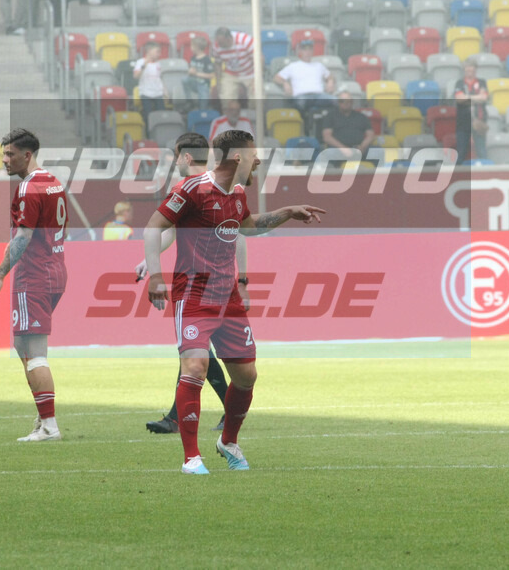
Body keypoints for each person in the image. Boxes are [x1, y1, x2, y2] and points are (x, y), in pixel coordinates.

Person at [144, 129, 325, 474]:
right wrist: (155, 276)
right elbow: (154, 227)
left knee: (246, 376)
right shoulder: (192, 189)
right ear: (238, 156)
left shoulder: (238, 193)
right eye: (254, 153)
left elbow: (249, 227)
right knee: (194, 368)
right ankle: (191, 457)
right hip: (194, 294)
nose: (259, 159)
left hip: (227, 299)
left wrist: (287, 211)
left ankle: (228, 441)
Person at [139, 132, 235, 435]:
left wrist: (240, 276)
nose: (175, 162)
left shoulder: (205, 186)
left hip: (204, 284)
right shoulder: (199, 187)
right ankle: (177, 416)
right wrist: (150, 259)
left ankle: (215, 412)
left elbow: (237, 233)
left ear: (186, 157)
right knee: (195, 350)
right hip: (204, 282)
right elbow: (169, 230)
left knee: (197, 351)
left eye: (176, 156)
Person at [0, 128, 69, 442]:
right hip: (56, 269)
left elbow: (22, 237)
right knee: (23, 346)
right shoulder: (53, 182)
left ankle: (49, 425)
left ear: (27, 155)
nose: (5, 160)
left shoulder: (28, 189)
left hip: (34, 275)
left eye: (10, 154)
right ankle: (42, 415)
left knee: (34, 352)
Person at [273, 39, 336, 119]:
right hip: (301, 96)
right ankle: (304, 129)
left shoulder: (319, 65)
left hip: (319, 96)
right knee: (300, 103)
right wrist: (285, 83)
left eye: (310, 49)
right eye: (304, 49)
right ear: (300, 51)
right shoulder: (293, 66)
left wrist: (330, 81)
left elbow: (330, 76)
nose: (307, 52)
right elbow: (276, 78)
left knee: (336, 101)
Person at [452, 57, 489, 164]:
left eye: (472, 70)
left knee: (482, 151)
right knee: (461, 152)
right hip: (463, 122)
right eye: (468, 70)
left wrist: (467, 97)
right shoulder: (459, 83)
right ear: (464, 70)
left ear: (476, 70)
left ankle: (485, 176)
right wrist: (476, 97)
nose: (470, 72)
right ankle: (457, 176)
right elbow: (459, 100)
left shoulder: (481, 82)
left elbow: (484, 98)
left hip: (479, 121)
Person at [322, 92, 374, 160]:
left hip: (360, 149)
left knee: (377, 151)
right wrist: (343, 149)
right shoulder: (330, 116)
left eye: (348, 101)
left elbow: (371, 135)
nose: (345, 103)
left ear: (352, 102)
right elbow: (327, 137)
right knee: (329, 153)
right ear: (338, 102)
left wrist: (362, 146)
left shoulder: (361, 117)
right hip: (338, 149)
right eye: (342, 101)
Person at [210, 27, 255, 105]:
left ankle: (255, 115)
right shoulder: (216, 45)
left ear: (229, 38)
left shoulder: (245, 40)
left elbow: (259, 59)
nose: (219, 45)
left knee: (257, 97)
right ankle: (228, 114)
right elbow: (218, 64)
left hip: (249, 72)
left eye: (222, 43)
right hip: (231, 73)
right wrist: (218, 82)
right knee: (226, 97)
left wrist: (257, 78)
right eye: (218, 42)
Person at [133, 42, 165, 124]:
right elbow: (136, 76)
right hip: (146, 93)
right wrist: (144, 66)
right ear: (149, 51)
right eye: (157, 52)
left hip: (158, 93)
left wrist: (165, 91)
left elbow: (159, 78)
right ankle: (149, 135)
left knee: (161, 115)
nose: (159, 54)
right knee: (148, 116)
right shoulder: (140, 62)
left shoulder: (158, 64)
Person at [182, 36, 214, 109]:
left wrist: (196, 74)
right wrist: (190, 72)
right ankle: (189, 101)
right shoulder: (193, 58)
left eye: (192, 46)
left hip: (203, 85)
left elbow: (211, 76)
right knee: (184, 79)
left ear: (196, 47)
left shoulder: (207, 60)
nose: (190, 48)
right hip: (194, 82)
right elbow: (191, 70)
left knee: (203, 106)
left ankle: (203, 111)